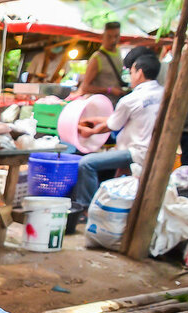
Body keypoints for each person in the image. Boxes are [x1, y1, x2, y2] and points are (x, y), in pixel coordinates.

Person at [71, 54, 163, 213]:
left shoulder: (131, 99)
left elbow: (112, 125)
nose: (131, 77)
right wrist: (94, 120)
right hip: (157, 152)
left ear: (139, 73)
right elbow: (117, 119)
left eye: (132, 72)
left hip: (135, 153)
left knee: (86, 163)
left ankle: (88, 209)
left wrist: (91, 131)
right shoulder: (164, 93)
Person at [75, 21, 124, 104]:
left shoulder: (118, 52)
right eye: (109, 37)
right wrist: (109, 90)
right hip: (101, 105)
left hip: (116, 103)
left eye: (116, 36)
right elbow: (85, 87)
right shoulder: (97, 58)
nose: (113, 40)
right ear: (103, 36)